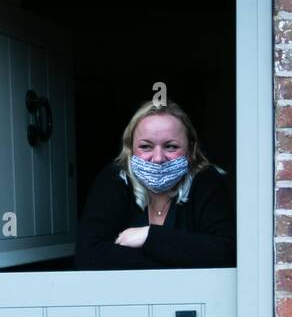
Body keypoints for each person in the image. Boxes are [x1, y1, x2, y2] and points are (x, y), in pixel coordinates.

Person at [75, 99, 235, 270]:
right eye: (146, 146)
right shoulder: (115, 179)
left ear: (190, 150)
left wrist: (149, 237)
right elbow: (88, 257)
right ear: (130, 149)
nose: (158, 158)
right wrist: (180, 254)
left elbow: (225, 252)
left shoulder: (206, 181)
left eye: (171, 147)